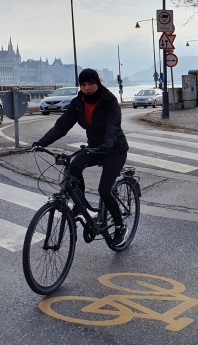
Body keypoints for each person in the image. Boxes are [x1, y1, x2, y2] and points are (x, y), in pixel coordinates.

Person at [32, 69, 130, 247]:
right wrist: (42, 142)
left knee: (104, 190)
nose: (87, 88)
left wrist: (107, 145)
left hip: (114, 149)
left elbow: (113, 126)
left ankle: (119, 226)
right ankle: (81, 204)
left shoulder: (109, 101)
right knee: (74, 165)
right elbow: (62, 126)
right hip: (94, 147)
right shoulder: (78, 103)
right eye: (83, 84)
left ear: (98, 83)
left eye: (90, 84)